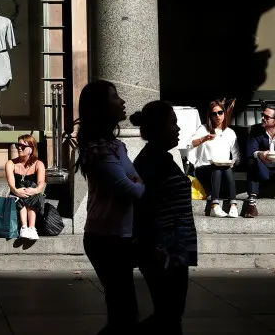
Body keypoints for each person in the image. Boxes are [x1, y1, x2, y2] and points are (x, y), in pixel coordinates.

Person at [75, 81, 145, 334]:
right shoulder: (99, 150)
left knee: (124, 309)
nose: (123, 102)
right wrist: (138, 182)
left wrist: (136, 181)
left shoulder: (116, 146)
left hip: (120, 236)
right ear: (101, 108)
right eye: (115, 97)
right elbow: (132, 189)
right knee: (123, 311)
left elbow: (134, 182)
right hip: (106, 238)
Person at [131, 101, 197, 335]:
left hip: (175, 247)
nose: (178, 129)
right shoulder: (150, 162)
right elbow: (146, 208)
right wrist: (156, 247)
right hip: (164, 250)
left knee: (170, 314)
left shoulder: (163, 159)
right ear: (158, 128)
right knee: (168, 315)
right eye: (173, 123)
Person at [187, 98, 240, 217]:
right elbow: (189, 144)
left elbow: (237, 156)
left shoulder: (230, 133)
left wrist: (232, 162)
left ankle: (233, 205)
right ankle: (214, 205)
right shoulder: (204, 129)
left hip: (223, 171)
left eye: (220, 112)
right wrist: (204, 138)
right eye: (214, 113)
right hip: (204, 169)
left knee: (225, 168)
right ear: (210, 115)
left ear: (224, 114)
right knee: (217, 168)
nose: (217, 116)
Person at [4, 134, 46, 240]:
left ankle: (31, 227)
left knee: (31, 186)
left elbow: (41, 183)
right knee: (21, 187)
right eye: (17, 145)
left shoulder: (39, 164)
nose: (19, 148)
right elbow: (11, 184)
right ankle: (24, 227)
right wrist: (16, 191)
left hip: (34, 198)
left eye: (22, 146)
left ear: (31, 149)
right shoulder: (11, 163)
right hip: (16, 197)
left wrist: (34, 190)